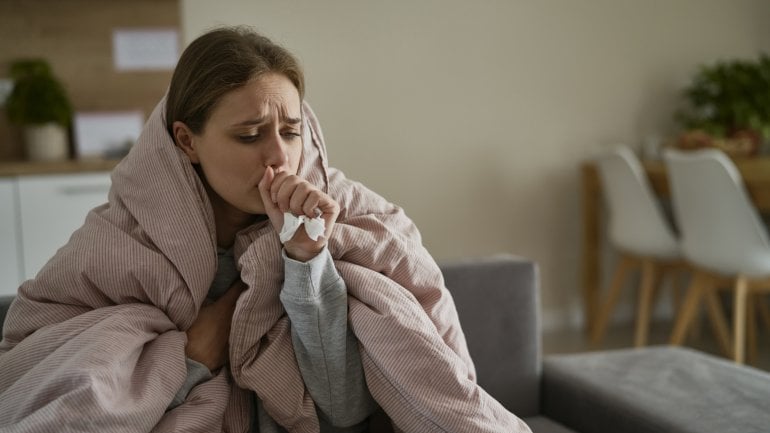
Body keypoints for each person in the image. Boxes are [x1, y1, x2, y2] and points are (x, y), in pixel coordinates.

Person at [0, 26, 531, 433]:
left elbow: (343, 408)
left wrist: (307, 261)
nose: (280, 155)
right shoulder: (121, 239)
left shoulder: (351, 216)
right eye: (250, 134)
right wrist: (180, 360)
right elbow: (37, 374)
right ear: (187, 142)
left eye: (292, 131)